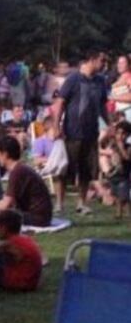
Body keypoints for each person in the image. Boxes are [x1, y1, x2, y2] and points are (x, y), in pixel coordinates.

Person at [52, 50, 108, 215]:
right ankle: (59, 203)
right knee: (64, 169)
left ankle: (81, 203)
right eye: (102, 60)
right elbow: (60, 103)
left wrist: (109, 124)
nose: (104, 64)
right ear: (92, 59)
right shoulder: (73, 79)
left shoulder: (100, 81)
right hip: (72, 131)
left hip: (91, 132)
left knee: (86, 170)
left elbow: (103, 105)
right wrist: (56, 126)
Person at [0, 135, 53, 227]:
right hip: (41, 215)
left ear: (5, 154)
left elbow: (6, 204)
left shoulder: (17, 172)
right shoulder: (21, 169)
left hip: (37, 218)